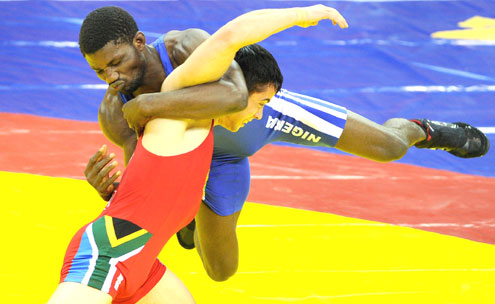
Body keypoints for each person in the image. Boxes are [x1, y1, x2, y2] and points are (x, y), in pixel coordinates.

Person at [84, 6, 491, 286]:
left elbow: (235, 97)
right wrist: (111, 192)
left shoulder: (182, 48)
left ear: (139, 41)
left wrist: (148, 106)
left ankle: (424, 129)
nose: (111, 77)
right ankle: (191, 223)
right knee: (220, 270)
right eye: (100, 70)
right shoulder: (116, 112)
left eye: (116, 62)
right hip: (213, 161)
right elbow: (145, 189)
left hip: (263, 113)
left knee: (388, 147)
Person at [48, 4, 349, 304]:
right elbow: (231, 35)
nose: (258, 114)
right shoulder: (175, 101)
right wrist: (305, 14)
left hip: (141, 263)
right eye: (261, 103)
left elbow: (143, 197)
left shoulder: (185, 119)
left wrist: (113, 193)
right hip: (109, 254)